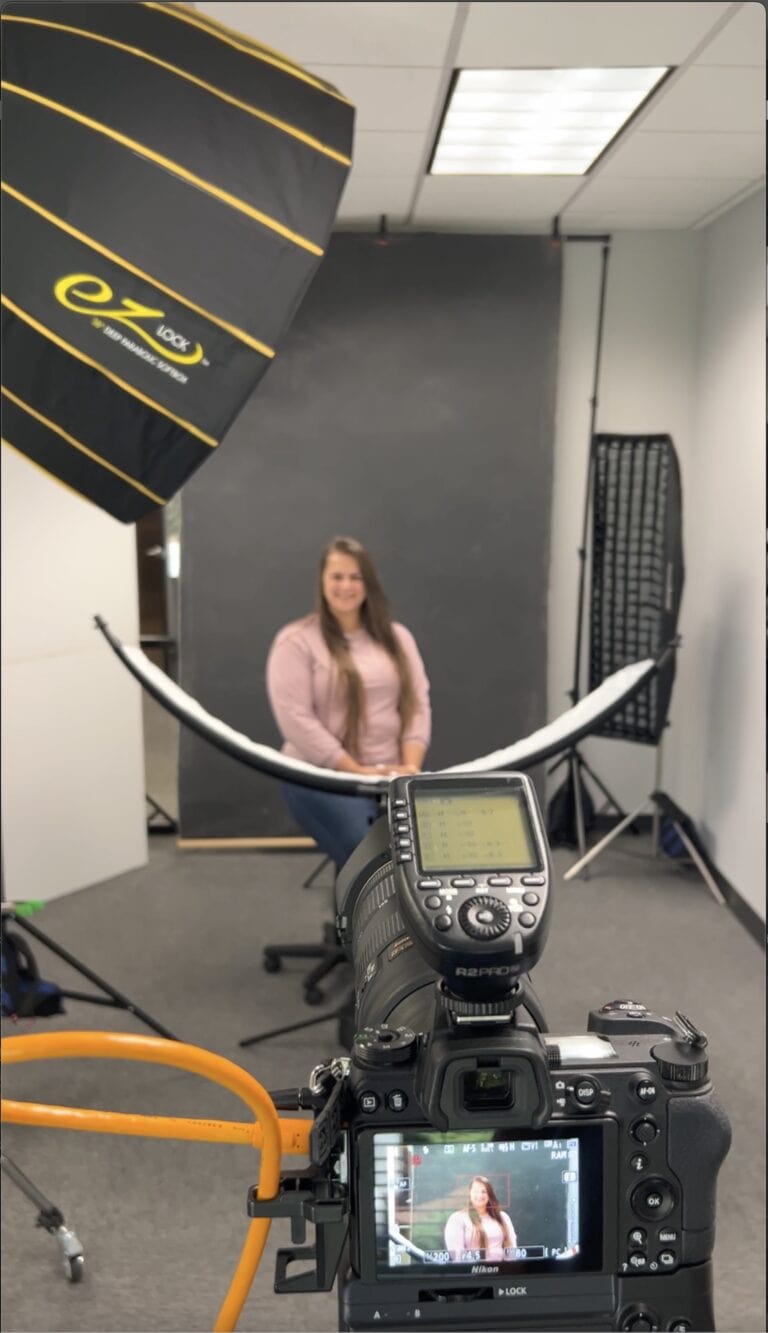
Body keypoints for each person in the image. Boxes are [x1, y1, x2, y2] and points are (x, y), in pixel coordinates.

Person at [266, 536, 431, 870]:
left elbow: (417, 703)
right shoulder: (296, 641)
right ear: (323, 582)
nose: (346, 586)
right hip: (320, 776)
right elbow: (296, 720)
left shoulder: (397, 637)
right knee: (369, 855)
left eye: (355, 577)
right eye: (337, 576)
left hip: (391, 775)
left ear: (368, 583)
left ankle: (385, 922)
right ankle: (355, 922)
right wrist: (356, 772)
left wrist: (410, 770)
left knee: (423, 855)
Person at [444, 1176, 517, 1262]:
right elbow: (457, 1256)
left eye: (484, 1192)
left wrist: (508, 1271)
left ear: (489, 1195)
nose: (480, 1195)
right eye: (475, 1191)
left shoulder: (503, 1217)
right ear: (469, 1193)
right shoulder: (457, 1218)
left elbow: (512, 1249)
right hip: (473, 1272)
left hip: (502, 1272)